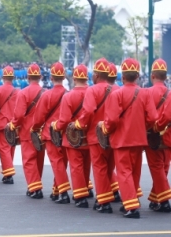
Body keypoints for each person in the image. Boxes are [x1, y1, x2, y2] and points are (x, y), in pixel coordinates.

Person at [102, 58, 158, 218]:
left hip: (121, 139)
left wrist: (106, 129)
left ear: (123, 76)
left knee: (124, 172)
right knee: (134, 171)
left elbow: (111, 120)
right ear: (138, 76)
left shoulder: (116, 94)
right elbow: (153, 117)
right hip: (139, 139)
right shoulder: (145, 93)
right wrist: (143, 126)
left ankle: (131, 206)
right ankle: (131, 200)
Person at [75, 58, 120, 214]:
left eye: (93, 73)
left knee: (99, 168)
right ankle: (107, 195)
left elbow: (88, 111)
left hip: (96, 135)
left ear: (97, 75)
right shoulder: (116, 89)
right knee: (109, 167)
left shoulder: (92, 90)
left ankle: (103, 201)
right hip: (113, 135)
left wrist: (79, 125)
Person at [52, 64, 91, 208]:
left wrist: (55, 126)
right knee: (86, 165)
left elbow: (64, 121)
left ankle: (80, 196)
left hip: (72, 136)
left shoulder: (68, 96)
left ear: (74, 78)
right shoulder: (91, 93)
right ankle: (85, 190)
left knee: (76, 166)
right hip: (89, 135)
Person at [32, 62, 70, 203]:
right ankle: (57, 190)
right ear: (64, 76)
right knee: (62, 163)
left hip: (50, 133)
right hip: (65, 133)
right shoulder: (68, 94)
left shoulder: (47, 95)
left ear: (52, 77)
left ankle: (64, 193)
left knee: (57, 163)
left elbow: (39, 117)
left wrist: (35, 128)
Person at [9, 64, 45, 198]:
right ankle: (36, 184)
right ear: (40, 77)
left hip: (27, 131)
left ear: (28, 77)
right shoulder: (45, 92)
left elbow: (18, 115)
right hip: (40, 131)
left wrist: (13, 125)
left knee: (29, 160)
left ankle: (34, 188)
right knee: (39, 159)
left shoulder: (23, 93)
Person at [144, 58, 171, 212]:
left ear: (152, 76)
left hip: (153, 136)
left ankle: (165, 200)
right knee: (163, 167)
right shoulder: (170, 93)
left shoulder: (147, 92)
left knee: (156, 168)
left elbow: (144, 115)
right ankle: (156, 199)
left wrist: (155, 127)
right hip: (168, 136)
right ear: (165, 77)